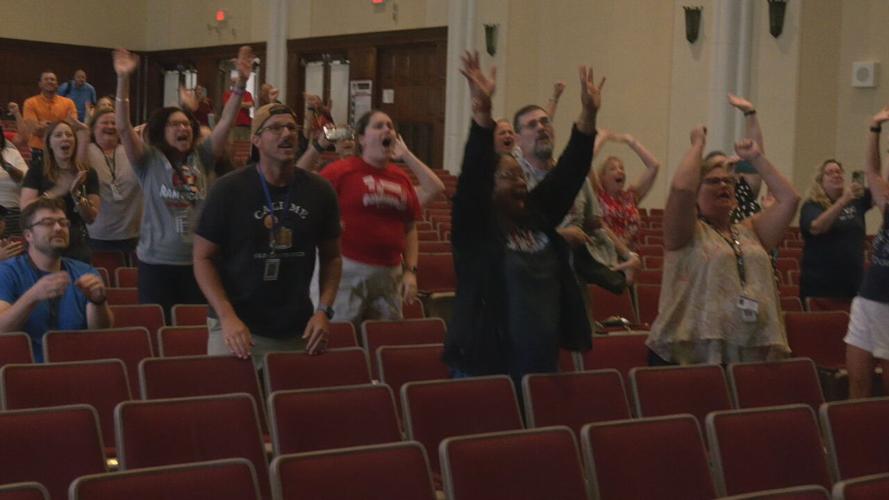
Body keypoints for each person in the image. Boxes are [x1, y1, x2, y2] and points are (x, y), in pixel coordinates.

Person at [444, 51, 601, 386]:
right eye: (507, 177)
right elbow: (473, 176)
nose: (519, 182)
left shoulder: (535, 216)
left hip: (540, 364)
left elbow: (571, 171)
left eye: (520, 176)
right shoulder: (475, 230)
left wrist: (589, 114)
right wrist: (483, 114)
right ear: (489, 185)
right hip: (485, 366)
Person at [194, 103, 343, 366]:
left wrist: (323, 311)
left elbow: (332, 258)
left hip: (297, 328)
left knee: (291, 406)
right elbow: (202, 259)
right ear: (256, 139)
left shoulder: (320, 191)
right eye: (275, 128)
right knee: (233, 405)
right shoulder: (228, 190)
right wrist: (227, 316)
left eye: (291, 128)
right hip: (237, 325)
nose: (286, 133)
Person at [113, 46, 253, 319]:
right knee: (160, 329)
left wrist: (241, 84)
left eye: (187, 125)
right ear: (161, 132)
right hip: (156, 263)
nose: (183, 129)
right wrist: (123, 79)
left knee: (193, 330)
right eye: (175, 125)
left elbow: (226, 122)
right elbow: (123, 128)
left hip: (198, 262)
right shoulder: (148, 161)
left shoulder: (203, 156)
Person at [646, 124, 800, 365]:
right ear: (697, 191)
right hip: (691, 351)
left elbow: (790, 199)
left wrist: (755, 158)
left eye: (729, 181)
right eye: (714, 181)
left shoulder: (751, 230)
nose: (724, 186)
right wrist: (698, 144)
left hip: (748, 348)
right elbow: (681, 188)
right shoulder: (686, 232)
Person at [320, 109, 434, 328]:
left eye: (390, 126)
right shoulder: (340, 171)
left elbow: (409, 227)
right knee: (341, 336)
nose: (387, 130)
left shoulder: (400, 177)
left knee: (385, 335)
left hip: (389, 273)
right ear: (362, 139)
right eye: (379, 126)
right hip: (348, 270)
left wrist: (410, 272)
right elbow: (311, 205)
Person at [0, 197, 112, 361]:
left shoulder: (85, 271)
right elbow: (2, 330)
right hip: (25, 370)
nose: (59, 228)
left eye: (63, 222)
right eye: (47, 223)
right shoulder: (7, 272)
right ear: (28, 235)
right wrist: (33, 296)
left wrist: (98, 303)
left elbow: (100, 332)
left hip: (76, 365)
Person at [844, 106, 889, 399]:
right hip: (869, 297)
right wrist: (875, 129)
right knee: (857, 386)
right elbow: (873, 172)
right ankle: (852, 442)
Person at [20, 121, 100, 264]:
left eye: (69, 135)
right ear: (49, 143)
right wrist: (56, 191)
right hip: (43, 241)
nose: (65, 138)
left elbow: (91, 217)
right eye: (58, 135)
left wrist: (77, 195)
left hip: (75, 242)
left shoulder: (87, 172)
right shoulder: (37, 170)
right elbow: (26, 209)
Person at [799, 159, 872, 304]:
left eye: (839, 171)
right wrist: (843, 201)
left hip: (852, 284)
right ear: (820, 181)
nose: (836, 175)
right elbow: (817, 227)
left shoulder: (856, 201)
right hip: (821, 286)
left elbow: (882, 189)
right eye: (830, 172)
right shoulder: (812, 205)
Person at [76, 108, 143, 253]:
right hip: (96, 235)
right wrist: (83, 137)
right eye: (104, 123)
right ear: (93, 129)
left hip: (132, 234)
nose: (110, 126)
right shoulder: (85, 150)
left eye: (114, 123)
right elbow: (79, 174)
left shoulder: (131, 150)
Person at [591, 129, 661, 248]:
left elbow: (654, 166)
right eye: (613, 169)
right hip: (604, 257)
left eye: (621, 168)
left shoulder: (630, 196)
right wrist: (601, 138)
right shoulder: (597, 193)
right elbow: (584, 161)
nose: (620, 171)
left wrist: (630, 141)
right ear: (602, 176)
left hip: (630, 260)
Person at [22, 71, 77, 163]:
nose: (50, 81)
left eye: (52, 79)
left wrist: (44, 125)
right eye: (46, 79)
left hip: (62, 149)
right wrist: (60, 126)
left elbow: (70, 128)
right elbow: (34, 130)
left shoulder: (69, 103)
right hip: (39, 150)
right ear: (40, 84)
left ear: (57, 84)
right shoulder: (30, 103)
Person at [0, 122, 28, 237]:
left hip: (12, 212)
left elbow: (25, 181)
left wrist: (6, 166)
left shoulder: (12, 153)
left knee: (13, 251)